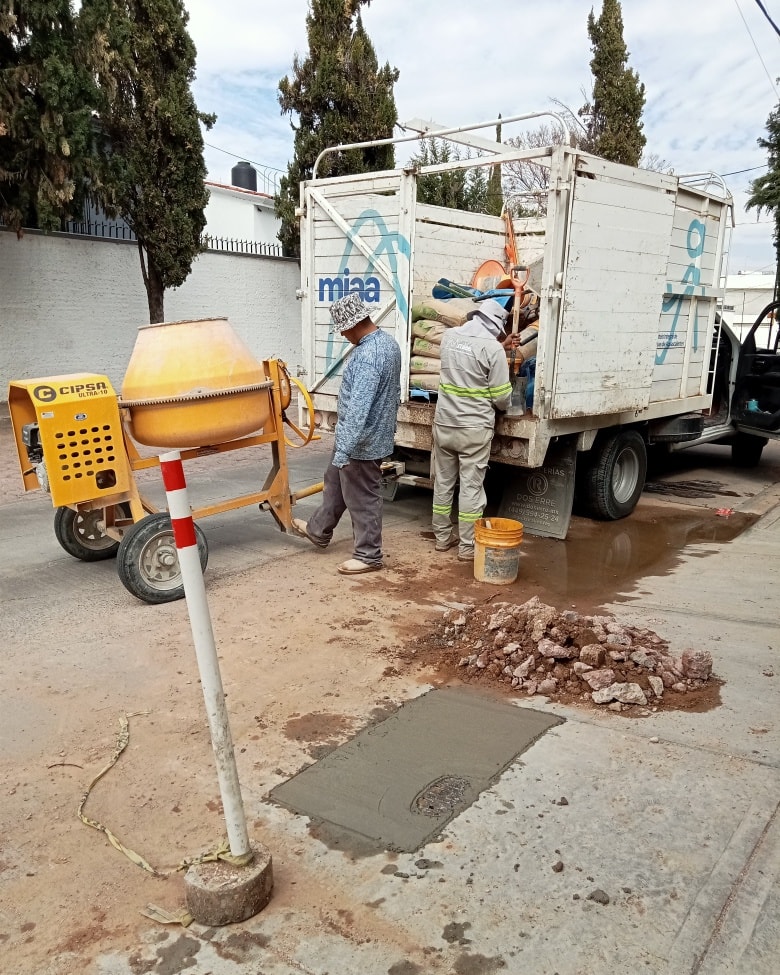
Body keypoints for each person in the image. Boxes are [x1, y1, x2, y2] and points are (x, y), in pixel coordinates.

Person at [293, 292, 402, 575]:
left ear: (353, 325)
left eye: (342, 329)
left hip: (360, 443)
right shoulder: (388, 344)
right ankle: (319, 529)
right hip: (365, 436)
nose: (342, 335)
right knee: (334, 482)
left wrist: (344, 450)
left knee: (362, 497)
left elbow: (358, 410)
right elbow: (394, 393)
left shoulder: (366, 357)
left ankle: (369, 555)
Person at [432, 298, 512, 562]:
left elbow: (467, 360)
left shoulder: (449, 337)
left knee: (443, 483)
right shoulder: (493, 349)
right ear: (496, 326)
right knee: (471, 488)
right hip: (474, 429)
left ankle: (442, 538)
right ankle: (467, 547)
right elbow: (501, 397)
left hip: (445, 424)